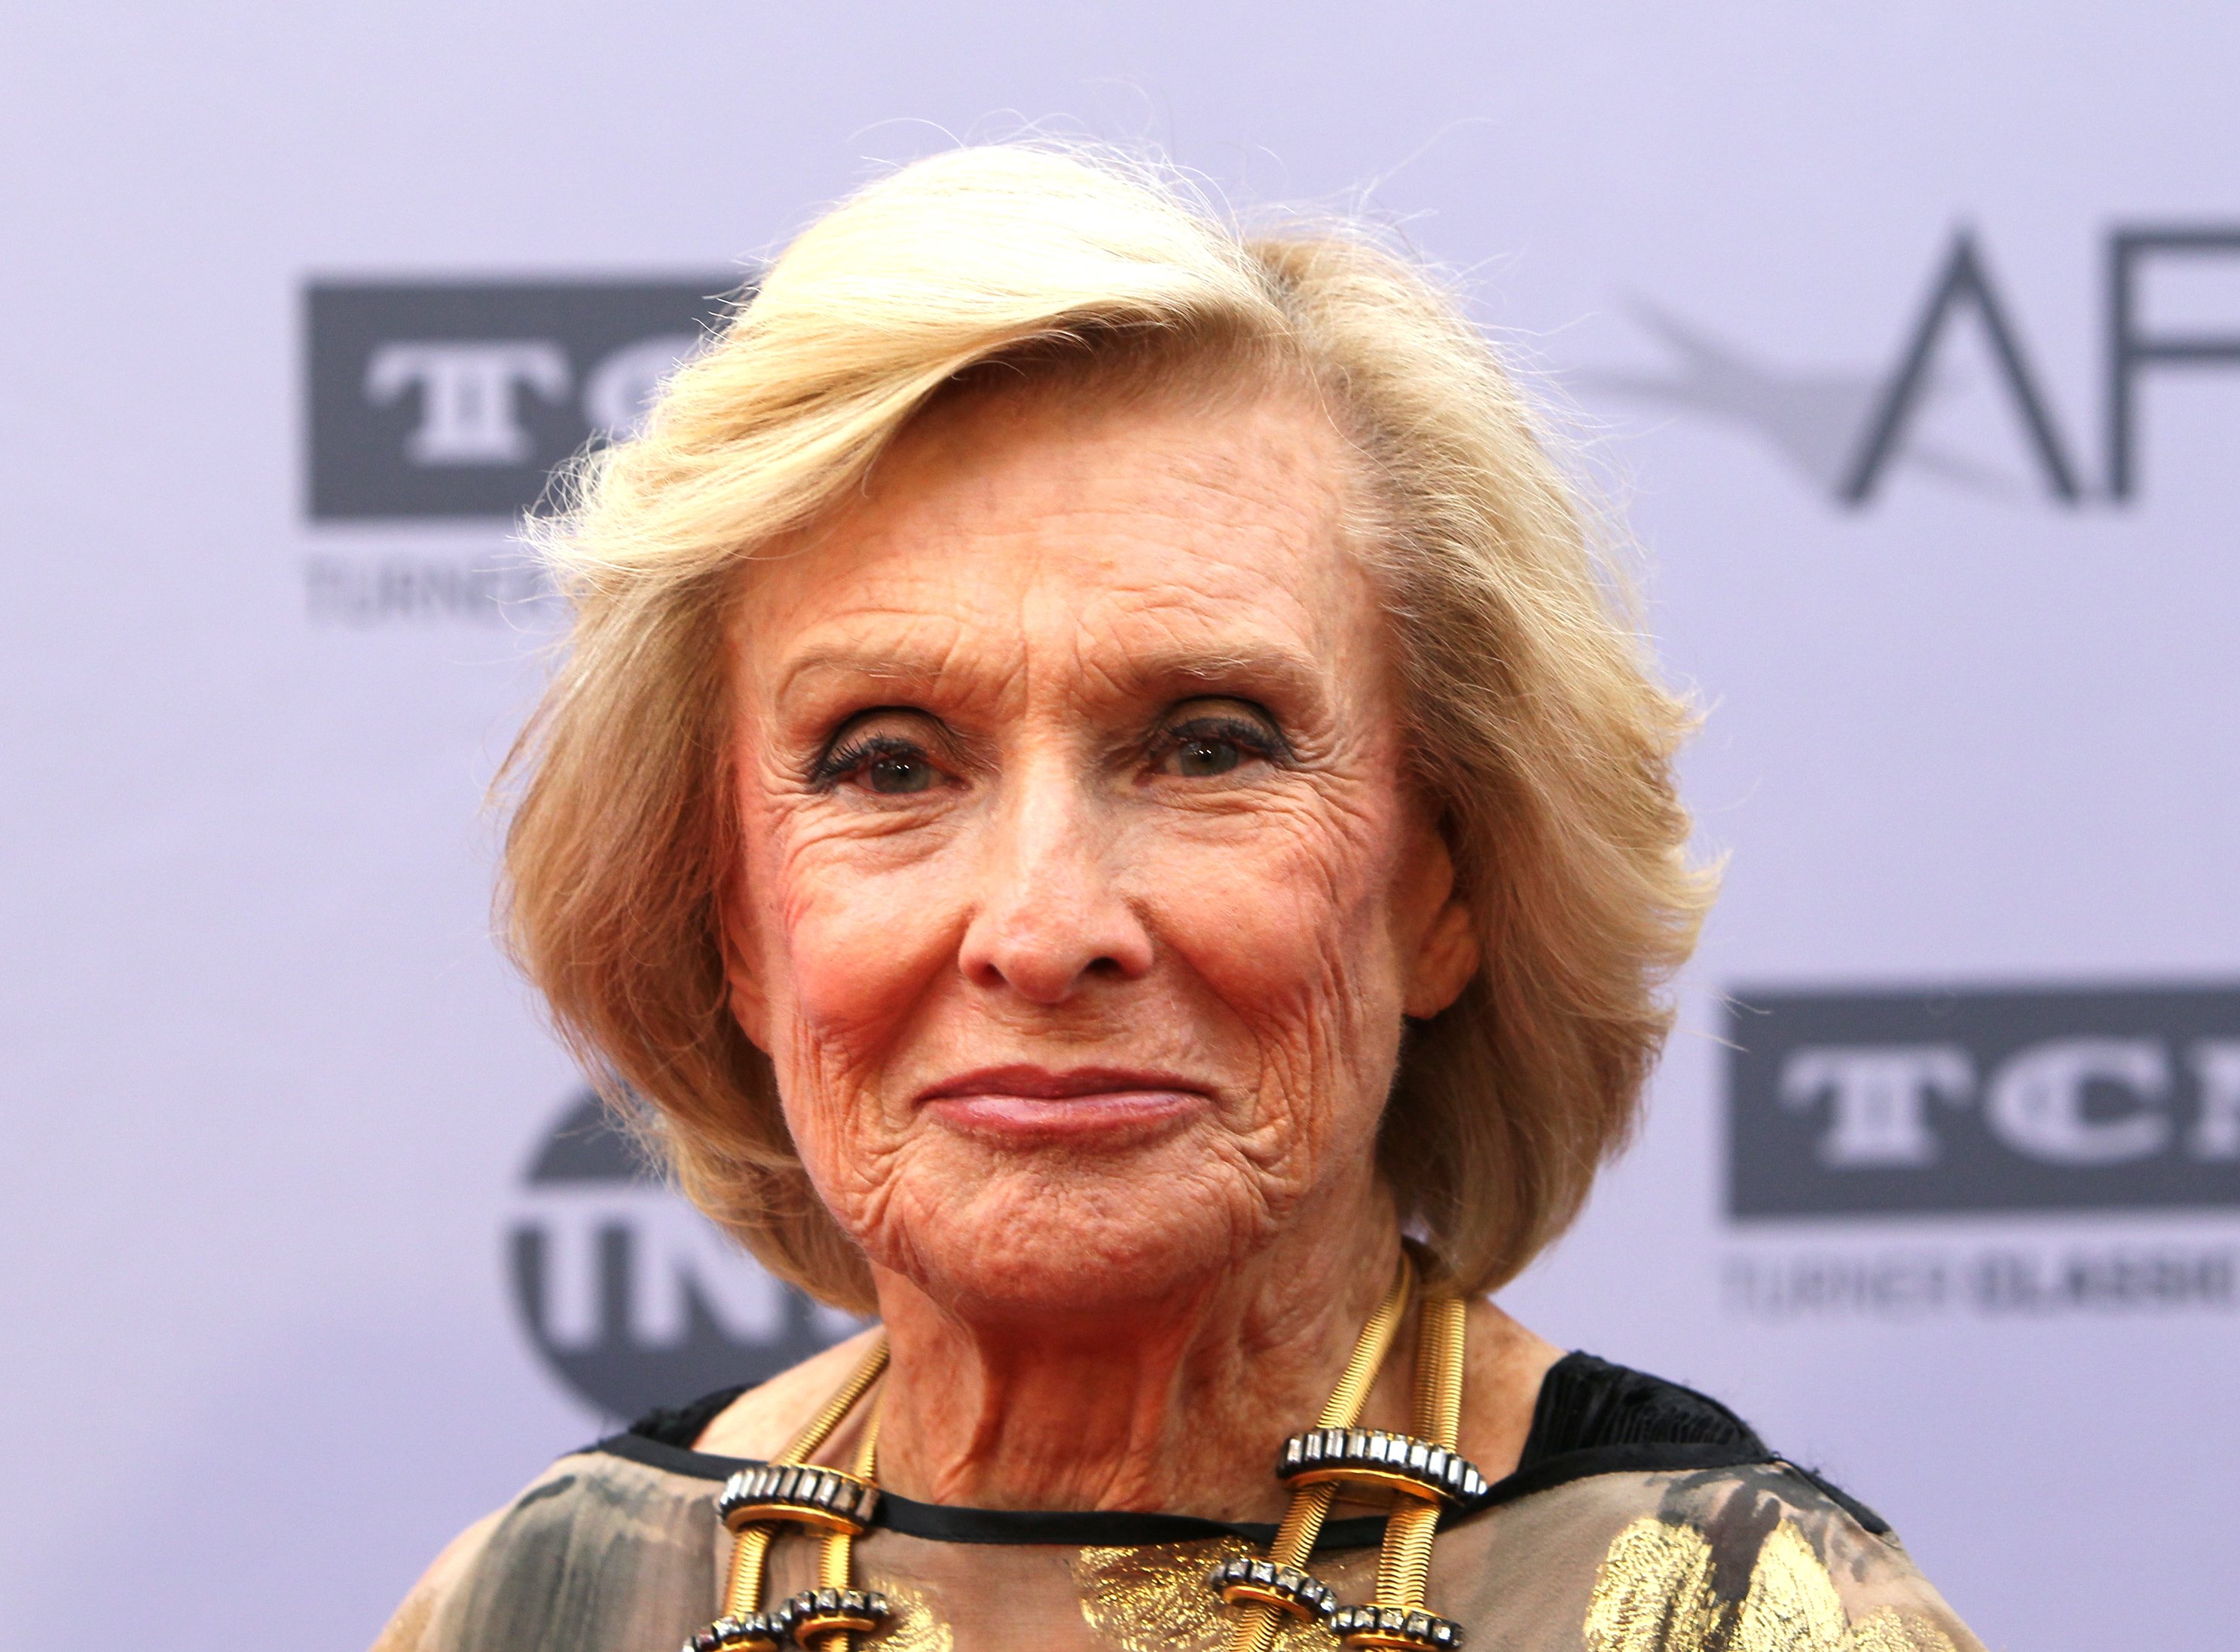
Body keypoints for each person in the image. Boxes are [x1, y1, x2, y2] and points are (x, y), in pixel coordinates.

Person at [374, 144, 1981, 1652]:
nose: (1044, 923)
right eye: (886, 763)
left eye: (1209, 744)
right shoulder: (542, 1599)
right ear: (730, 918)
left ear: (1445, 879)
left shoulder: (1731, 1610)